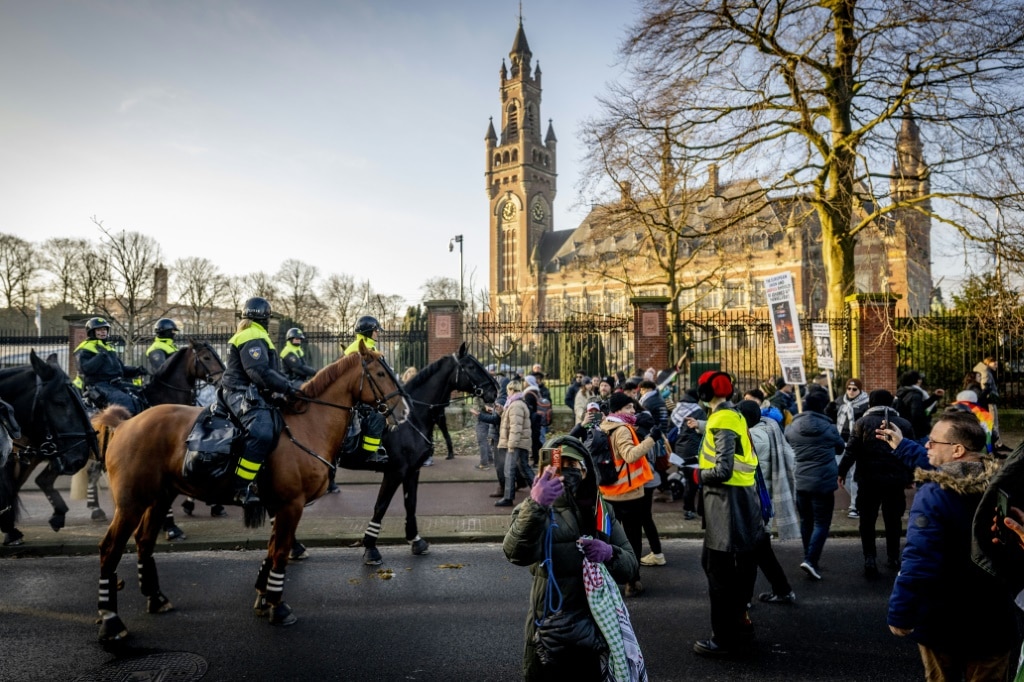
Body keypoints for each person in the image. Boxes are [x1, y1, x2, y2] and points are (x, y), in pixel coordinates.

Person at [888, 413, 1015, 681]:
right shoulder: (1003, 485)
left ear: (957, 450)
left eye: (933, 442)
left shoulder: (934, 494)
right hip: (994, 619)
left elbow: (919, 559)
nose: (926, 446)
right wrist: (901, 445)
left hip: (942, 621)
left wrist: (901, 612)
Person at [502, 436, 638, 681]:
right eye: (559, 465)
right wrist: (536, 505)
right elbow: (515, 553)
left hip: (595, 625)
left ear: (585, 471)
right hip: (550, 623)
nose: (567, 472)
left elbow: (630, 566)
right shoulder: (534, 506)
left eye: (573, 466)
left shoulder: (601, 509)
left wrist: (610, 553)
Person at [691, 371, 763, 656]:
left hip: (726, 504)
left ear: (705, 393)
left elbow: (722, 469)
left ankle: (723, 639)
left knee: (719, 574)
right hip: (739, 502)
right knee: (734, 570)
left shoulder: (721, 419)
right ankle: (740, 626)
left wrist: (699, 476)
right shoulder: (735, 415)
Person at [221, 297, 302, 505]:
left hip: (253, 391)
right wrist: (287, 387)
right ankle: (239, 487)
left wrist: (286, 387)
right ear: (264, 317)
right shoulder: (252, 334)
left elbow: (271, 372)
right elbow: (258, 371)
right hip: (239, 391)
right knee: (262, 430)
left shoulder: (257, 334)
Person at [838, 389, 914, 579]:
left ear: (870, 403)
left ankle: (869, 558)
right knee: (893, 520)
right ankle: (893, 557)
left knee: (867, 520)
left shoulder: (861, 423)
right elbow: (911, 451)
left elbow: (850, 451)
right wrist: (911, 476)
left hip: (868, 479)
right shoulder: (904, 424)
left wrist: (841, 472)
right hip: (895, 481)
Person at [598, 392, 663, 598]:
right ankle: (632, 581)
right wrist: (652, 438)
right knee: (632, 540)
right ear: (618, 410)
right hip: (628, 494)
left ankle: (609, 578)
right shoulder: (623, 430)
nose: (633, 411)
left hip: (608, 492)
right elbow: (629, 455)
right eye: (628, 408)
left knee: (611, 539)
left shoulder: (604, 426)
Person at [737, 400, 797, 605]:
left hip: (756, 504)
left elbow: (741, 466)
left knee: (748, 555)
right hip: (762, 502)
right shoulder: (767, 428)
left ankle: (744, 598)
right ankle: (783, 590)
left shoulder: (754, 437)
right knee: (762, 551)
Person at [786, 390, 845, 581]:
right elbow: (840, 447)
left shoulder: (793, 426)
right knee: (822, 523)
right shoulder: (829, 427)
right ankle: (811, 560)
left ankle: (808, 557)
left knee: (806, 521)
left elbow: (788, 439)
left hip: (801, 480)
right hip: (824, 482)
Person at [74, 317, 148, 414]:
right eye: (99, 330)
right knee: (126, 403)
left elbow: (121, 370)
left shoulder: (108, 347)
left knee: (144, 395)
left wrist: (137, 370)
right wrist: (100, 357)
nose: (103, 332)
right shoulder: (85, 348)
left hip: (116, 384)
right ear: (91, 332)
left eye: (104, 329)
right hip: (98, 385)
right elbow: (85, 369)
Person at [343, 315, 389, 465]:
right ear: (368, 331)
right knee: (379, 415)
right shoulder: (355, 348)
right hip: (357, 396)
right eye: (376, 330)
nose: (377, 333)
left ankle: (383, 444)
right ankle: (371, 452)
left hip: (370, 391)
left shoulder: (371, 347)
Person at [495, 379, 535, 507]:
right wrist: (501, 411)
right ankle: (539, 491)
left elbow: (515, 427)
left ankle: (508, 497)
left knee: (509, 469)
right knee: (524, 467)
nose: (507, 393)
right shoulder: (516, 403)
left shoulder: (515, 405)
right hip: (521, 442)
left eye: (508, 390)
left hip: (516, 443)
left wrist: (511, 445)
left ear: (512, 390)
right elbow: (512, 422)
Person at [835, 378, 870, 519]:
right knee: (841, 473)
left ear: (860, 390)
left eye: (854, 389)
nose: (851, 391)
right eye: (849, 388)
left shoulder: (865, 404)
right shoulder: (840, 401)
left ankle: (855, 506)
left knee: (855, 476)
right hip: (841, 441)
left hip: (855, 443)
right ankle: (861, 499)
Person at [669, 388, 705, 519]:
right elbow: (703, 432)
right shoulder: (698, 412)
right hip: (694, 451)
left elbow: (670, 431)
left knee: (688, 480)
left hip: (679, 451)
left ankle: (688, 508)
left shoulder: (676, 411)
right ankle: (694, 510)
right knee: (696, 482)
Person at [895, 370, 945, 444]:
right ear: (917, 380)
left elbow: (919, 406)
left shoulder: (903, 391)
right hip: (917, 433)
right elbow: (917, 414)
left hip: (907, 429)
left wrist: (934, 397)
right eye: (920, 379)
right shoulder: (915, 394)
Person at [470, 395, 498, 471]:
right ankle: (490, 459)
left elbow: (477, 409)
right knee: (484, 440)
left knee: (481, 441)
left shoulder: (479, 394)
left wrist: (475, 410)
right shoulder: (491, 392)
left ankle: (484, 464)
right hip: (488, 418)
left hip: (481, 419)